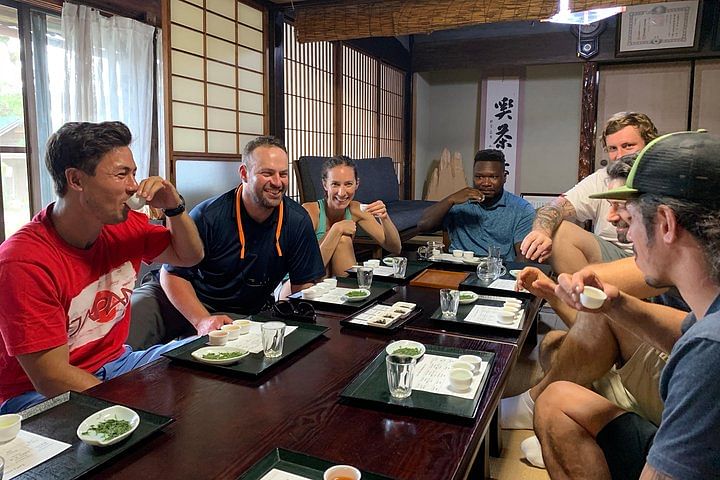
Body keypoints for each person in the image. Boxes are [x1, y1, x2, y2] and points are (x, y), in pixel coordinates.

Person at [535, 131, 720, 479]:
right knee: (556, 392)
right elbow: (687, 332)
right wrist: (614, 305)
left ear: (665, 223)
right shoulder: (708, 323)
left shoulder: (710, 352)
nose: (621, 226)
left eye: (631, 217)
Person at [0, 121, 204, 414]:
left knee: (205, 356)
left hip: (117, 364)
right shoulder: (23, 261)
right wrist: (131, 403)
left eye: (134, 173)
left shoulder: (124, 226)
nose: (134, 185)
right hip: (33, 395)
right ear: (76, 180)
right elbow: (50, 377)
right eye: (122, 174)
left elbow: (189, 256)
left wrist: (174, 207)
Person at [500, 155, 685, 468]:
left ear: (666, 219)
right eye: (611, 147)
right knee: (553, 343)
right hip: (665, 359)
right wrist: (552, 291)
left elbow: (701, 344)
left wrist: (584, 291)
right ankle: (572, 423)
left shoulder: (677, 257)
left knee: (555, 402)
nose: (611, 217)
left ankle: (543, 409)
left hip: (682, 389)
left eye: (620, 205)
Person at [129, 136, 325, 349]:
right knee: (130, 320)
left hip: (237, 316)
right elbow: (172, 274)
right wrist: (201, 320)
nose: (277, 182)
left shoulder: (297, 220)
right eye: (267, 173)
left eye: (283, 174)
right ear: (244, 174)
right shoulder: (209, 215)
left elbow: (302, 286)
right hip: (176, 298)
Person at [521, 112, 659, 273]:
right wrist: (541, 232)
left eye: (628, 146)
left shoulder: (665, 179)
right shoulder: (603, 178)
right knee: (560, 230)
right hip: (612, 257)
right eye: (613, 148)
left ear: (649, 144)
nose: (619, 155)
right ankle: (582, 294)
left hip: (658, 259)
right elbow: (555, 207)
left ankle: (583, 290)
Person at [417, 148, 534, 261]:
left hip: (497, 270)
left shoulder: (521, 209)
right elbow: (423, 225)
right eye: (479, 177)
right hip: (457, 269)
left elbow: (523, 255)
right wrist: (450, 200)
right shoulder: (458, 203)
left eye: (493, 177)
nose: (486, 183)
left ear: (504, 177)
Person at [302, 156, 401, 276]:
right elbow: (305, 269)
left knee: (342, 240)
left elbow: (395, 248)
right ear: (325, 184)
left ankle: (349, 291)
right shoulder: (309, 212)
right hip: (306, 283)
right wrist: (337, 229)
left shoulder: (356, 210)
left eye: (348, 184)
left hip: (335, 281)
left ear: (357, 184)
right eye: (335, 184)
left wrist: (384, 218)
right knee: (341, 237)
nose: (342, 193)